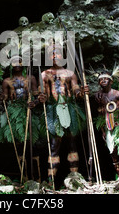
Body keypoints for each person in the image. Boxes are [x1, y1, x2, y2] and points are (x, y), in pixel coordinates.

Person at [39, 43, 88, 183]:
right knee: (54, 145)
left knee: (72, 143)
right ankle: (51, 180)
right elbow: (42, 93)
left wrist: (81, 92)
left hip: (69, 108)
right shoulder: (45, 74)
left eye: (58, 53)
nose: (55, 56)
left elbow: (75, 90)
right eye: (52, 54)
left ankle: (75, 178)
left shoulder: (69, 73)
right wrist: (41, 98)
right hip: (53, 111)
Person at [94, 71, 119, 177]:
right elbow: (100, 114)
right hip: (108, 126)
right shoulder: (99, 96)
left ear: (111, 81)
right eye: (101, 79)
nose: (103, 81)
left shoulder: (117, 94)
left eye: (105, 79)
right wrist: (103, 131)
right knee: (113, 152)